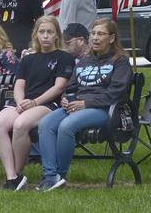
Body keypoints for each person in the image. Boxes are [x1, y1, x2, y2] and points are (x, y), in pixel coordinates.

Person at [36, 19, 133, 191]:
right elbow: (71, 86)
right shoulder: (85, 60)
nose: (95, 38)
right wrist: (66, 98)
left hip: (105, 110)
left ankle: (61, 175)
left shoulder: (120, 61)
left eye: (101, 34)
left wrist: (85, 103)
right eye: (93, 33)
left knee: (67, 126)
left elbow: (115, 93)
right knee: (46, 123)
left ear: (111, 38)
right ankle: (51, 176)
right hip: (77, 107)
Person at [0, 15, 74, 191]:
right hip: (25, 103)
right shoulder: (28, 59)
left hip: (48, 105)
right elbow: (19, 85)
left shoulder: (64, 57)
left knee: (20, 124)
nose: (45, 35)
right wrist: (21, 102)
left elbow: (59, 87)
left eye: (50, 32)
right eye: (42, 32)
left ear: (56, 36)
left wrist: (34, 102)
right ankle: (11, 177)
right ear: (35, 34)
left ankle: (16, 173)